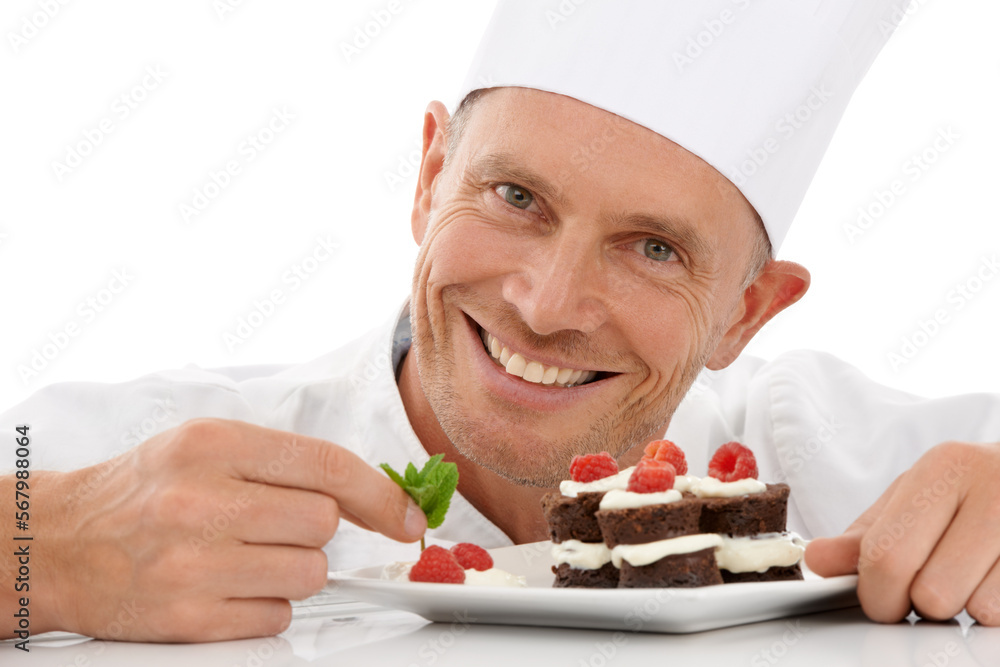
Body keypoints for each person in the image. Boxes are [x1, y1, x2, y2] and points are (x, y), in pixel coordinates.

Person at [3, 0, 1000, 644]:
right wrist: (34, 551)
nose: (545, 304)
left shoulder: (819, 450)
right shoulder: (140, 455)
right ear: (431, 175)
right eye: (516, 195)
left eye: (654, 248)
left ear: (746, 311)